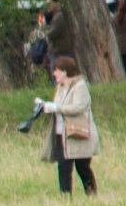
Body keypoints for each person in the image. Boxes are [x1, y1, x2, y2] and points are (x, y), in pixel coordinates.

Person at [37, 57, 99, 195]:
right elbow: (58, 107)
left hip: (78, 134)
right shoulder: (60, 87)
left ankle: (91, 193)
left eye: (57, 71)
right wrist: (45, 106)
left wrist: (55, 107)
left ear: (65, 72)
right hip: (61, 133)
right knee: (63, 167)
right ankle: (65, 197)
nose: (54, 74)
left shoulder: (80, 86)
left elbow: (78, 107)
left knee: (82, 167)